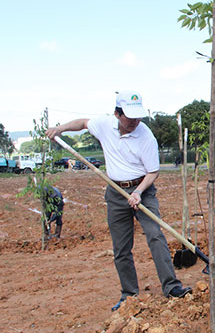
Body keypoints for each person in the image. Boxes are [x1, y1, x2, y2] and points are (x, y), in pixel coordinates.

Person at [46, 91, 191, 311]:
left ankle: (171, 287)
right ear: (117, 113)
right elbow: (83, 122)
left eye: (138, 117)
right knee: (121, 247)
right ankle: (129, 294)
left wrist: (139, 192)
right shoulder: (105, 124)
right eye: (129, 117)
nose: (134, 122)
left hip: (143, 188)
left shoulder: (146, 136)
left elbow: (153, 172)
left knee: (155, 235)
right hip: (115, 192)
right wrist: (60, 129)